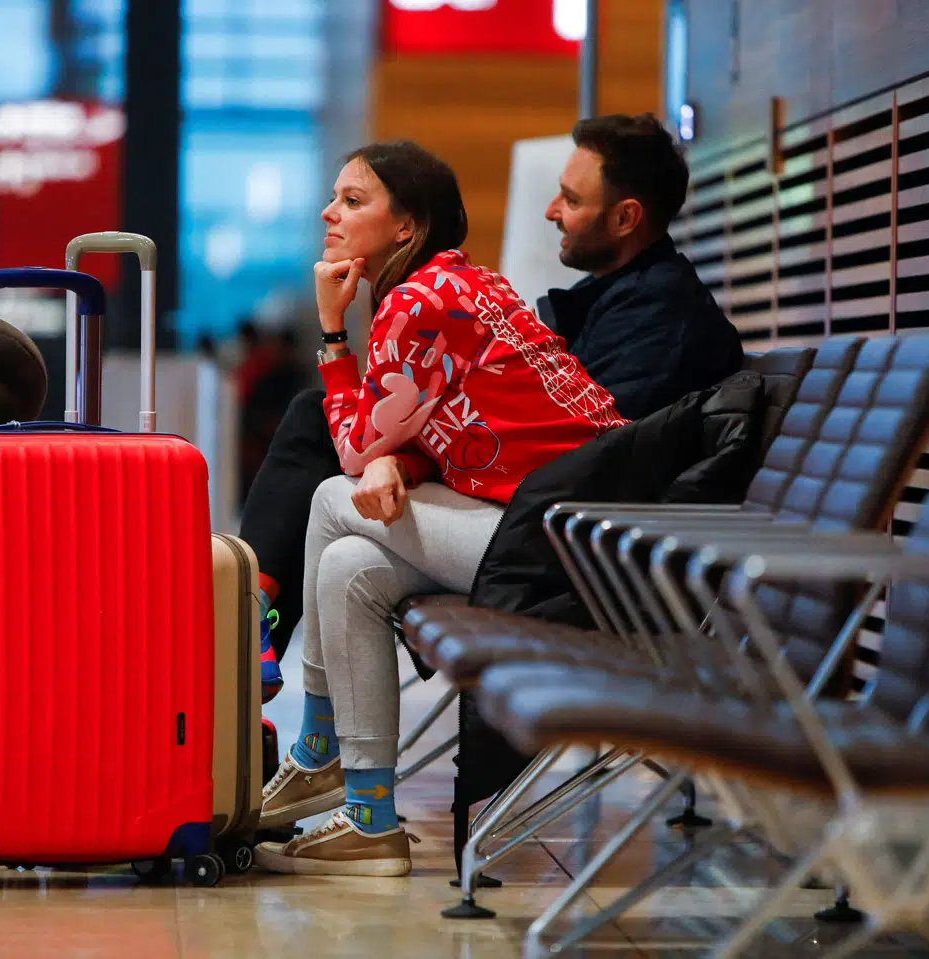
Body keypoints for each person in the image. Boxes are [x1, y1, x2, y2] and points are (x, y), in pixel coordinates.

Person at [250, 113, 742, 699]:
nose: (550, 211)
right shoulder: (585, 298)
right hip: (531, 514)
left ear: (626, 216)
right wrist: (402, 461)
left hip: (575, 551)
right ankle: (343, 763)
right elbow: (505, 427)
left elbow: (581, 460)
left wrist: (339, 345)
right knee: (346, 543)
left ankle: (251, 634)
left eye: (570, 198)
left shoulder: (661, 323)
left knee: (333, 489)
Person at [251, 141, 627, 877]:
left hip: (563, 547)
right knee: (354, 565)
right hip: (572, 528)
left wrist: (333, 331)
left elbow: (353, 449)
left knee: (332, 497)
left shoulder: (416, 304)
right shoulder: (463, 285)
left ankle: (318, 749)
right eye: (335, 197)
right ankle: (370, 818)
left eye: (354, 200)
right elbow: (453, 428)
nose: (330, 212)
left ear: (406, 227)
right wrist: (401, 458)